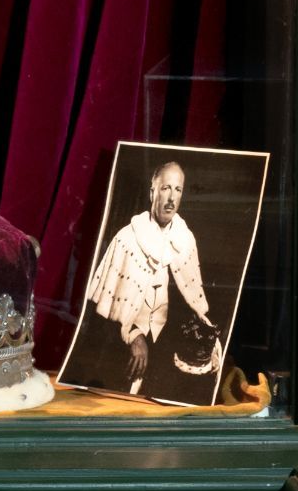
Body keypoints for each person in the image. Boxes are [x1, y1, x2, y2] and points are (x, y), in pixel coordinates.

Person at [69, 161, 222, 399]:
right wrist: (132, 335)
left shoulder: (186, 241)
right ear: (153, 192)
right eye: (165, 188)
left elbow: (191, 303)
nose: (171, 198)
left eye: (178, 189)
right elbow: (101, 315)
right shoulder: (126, 239)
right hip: (121, 350)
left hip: (168, 349)